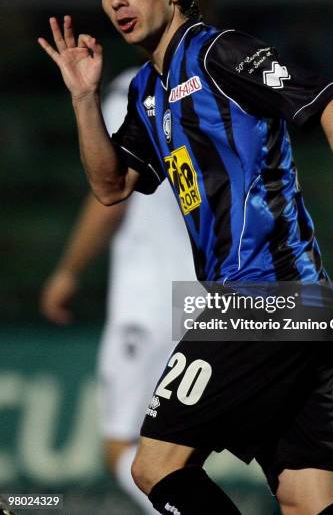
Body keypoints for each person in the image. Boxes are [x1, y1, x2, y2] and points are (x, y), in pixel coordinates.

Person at [38, 0, 333, 515]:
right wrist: (84, 99)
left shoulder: (217, 52)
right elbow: (111, 187)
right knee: (306, 495)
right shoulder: (147, 91)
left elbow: (331, 99)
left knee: (152, 465)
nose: (117, 0)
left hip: (260, 298)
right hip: (300, 307)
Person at [40, 67, 196, 514]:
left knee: (126, 450)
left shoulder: (135, 91)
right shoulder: (220, 83)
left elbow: (110, 195)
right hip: (216, 285)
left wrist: (68, 272)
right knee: (187, 451)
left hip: (150, 300)